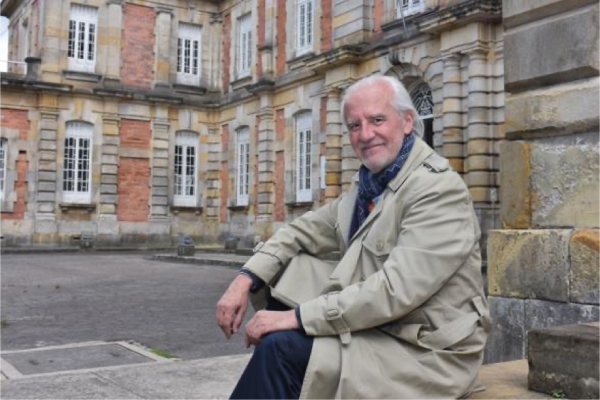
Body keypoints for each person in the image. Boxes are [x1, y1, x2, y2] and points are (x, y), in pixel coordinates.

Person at [216, 75, 490, 399]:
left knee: (281, 349)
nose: (365, 134)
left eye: (377, 120)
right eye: (354, 125)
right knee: (284, 275)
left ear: (406, 122)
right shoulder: (368, 186)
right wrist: (245, 279)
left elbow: (393, 291)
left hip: (427, 353)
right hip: (382, 331)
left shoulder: (437, 189)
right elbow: (300, 230)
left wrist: (297, 318)